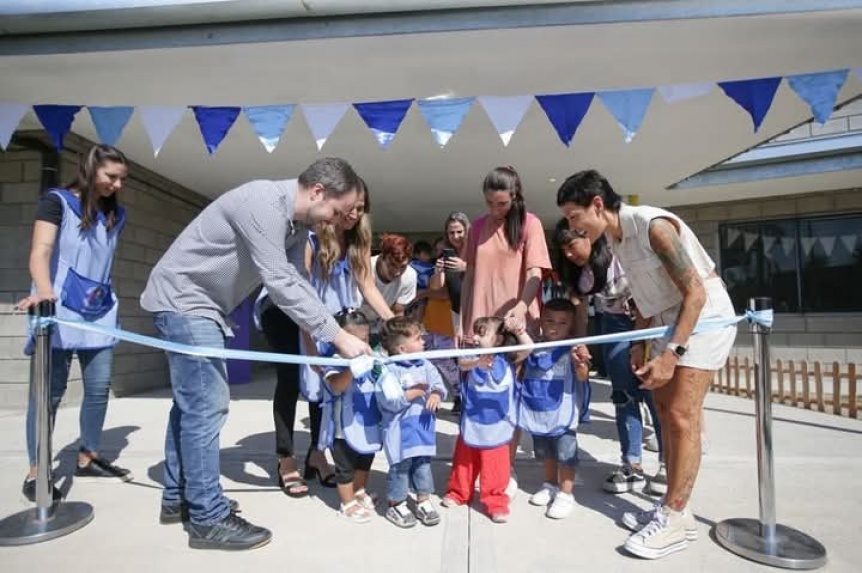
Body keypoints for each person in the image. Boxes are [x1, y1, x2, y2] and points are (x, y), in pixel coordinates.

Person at [140, 157, 370, 551]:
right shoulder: (263, 203)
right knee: (207, 406)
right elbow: (278, 281)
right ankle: (208, 518)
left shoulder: (298, 227)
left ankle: (180, 496)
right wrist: (337, 336)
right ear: (317, 192)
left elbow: (298, 281)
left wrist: (334, 331)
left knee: (191, 405)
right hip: (185, 301)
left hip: (202, 305)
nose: (335, 220)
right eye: (335, 210)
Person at [557, 169, 737, 560]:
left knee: (681, 415)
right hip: (662, 321)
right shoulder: (615, 240)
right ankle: (676, 509)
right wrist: (642, 345)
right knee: (661, 407)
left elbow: (695, 292)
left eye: (574, 216)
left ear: (598, 205)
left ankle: (674, 516)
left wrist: (672, 353)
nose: (570, 225)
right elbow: (643, 299)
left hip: (703, 317)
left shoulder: (653, 226)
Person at [256, 177, 393, 496]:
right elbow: (301, 292)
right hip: (287, 310)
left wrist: (394, 323)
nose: (354, 214)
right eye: (350, 206)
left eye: (361, 208)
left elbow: (367, 286)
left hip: (329, 316)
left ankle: (317, 454)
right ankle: (285, 458)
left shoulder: (358, 241)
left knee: (327, 382)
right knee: (293, 379)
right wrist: (310, 346)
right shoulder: (311, 235)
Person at [16, 144, 132, 501]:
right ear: (91, 170)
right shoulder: (56, 202)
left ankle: (89, 455)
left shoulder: (116, 214)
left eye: (122, 179)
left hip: (99, 311)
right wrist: (45, 292)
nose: (117, 185)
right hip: (58, 308)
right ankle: (38, 469)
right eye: (111, 177)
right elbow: (41, 252)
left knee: (98, 389)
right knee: (48, 394)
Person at [552, 220, 666, 496]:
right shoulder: (579, 273)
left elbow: (645, 304)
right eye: (563, 249)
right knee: (623, 394)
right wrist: (580, 343)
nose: (568, 253)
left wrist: (639, 343)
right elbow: (580, 311)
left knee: (653, 393)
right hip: (612, 324)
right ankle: (632, 465)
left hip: (648, 322)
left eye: (572, 245)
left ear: (588, 236)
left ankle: (667, 463)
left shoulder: (620, 254)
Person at [459, 166, 552, 497]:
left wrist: (523, 307)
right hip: (481, 324)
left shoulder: (531, 224)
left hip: (514, 325)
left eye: (501, 204)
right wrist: (464, 320)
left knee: (509, 395)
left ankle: (504, 468)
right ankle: (482, 466)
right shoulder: (479, 226)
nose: (494, 210)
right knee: (481, 395)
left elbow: (536, 272)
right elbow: (471, 275)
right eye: (488, 203)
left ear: (514, 197)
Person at [441, 316, 531, 524]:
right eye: (475, 332)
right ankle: (458, 493)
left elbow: (528, 348)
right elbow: (462, 365)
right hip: (472, 422)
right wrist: (477, 362)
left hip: (498, 426)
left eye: (482, 333)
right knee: (464, 462)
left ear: (498, 340)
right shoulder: (471, 355)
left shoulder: (508, 359)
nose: (476, 337)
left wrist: (518, 331)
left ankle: (496, 501)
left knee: (496, 466)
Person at [517, 299, 591, 520]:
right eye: (549, 320)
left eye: (562, 323)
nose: (554, 327)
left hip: (563, 414)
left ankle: (566, 493)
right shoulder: (533, 346)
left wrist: (580, 365)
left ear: (570, 325)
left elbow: (582, 377)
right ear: (541, 321)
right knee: (546, 452)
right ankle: (549, 484)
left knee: (565, 455)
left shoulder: (573, 349)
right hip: (540, 412)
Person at [374, 316, 447, 529]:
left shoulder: (426, 364)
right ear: (402, 349)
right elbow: (389, 402)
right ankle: (396, 503)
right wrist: (416, 392)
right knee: (400, 467)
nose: (423, 341)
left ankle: (422, 500)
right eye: (417, 338)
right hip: (398, 432)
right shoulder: (388, 370)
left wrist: (435, 394)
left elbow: (437, 385)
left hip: (422, 429)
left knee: (423, 464)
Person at [318, 309, 382, 524]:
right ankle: (347, 503)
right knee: (345, 468)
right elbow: (336, 386)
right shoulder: (334, 361)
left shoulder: (372, 357)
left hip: (368, 423)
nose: (360, 345)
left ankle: (359, 490)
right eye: (353, 340)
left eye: (364, 339)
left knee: (365, 460)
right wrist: (352, 370)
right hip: (343, 429)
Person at [429, 212, 471, 415]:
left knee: (474, 355)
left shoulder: (476, 251)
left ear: (467, 230)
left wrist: (466, 266)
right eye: (451, 232)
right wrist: (438, 271)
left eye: (459, 231)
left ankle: (471, 396)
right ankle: (461, 394)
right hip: (455, 312)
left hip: (477, 310)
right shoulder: (446, 254)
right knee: (455, 356)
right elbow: (437, 287)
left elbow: (489, 274)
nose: (456, 236)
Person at [360, 234, 417, 335]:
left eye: (402, 266)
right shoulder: (364, 268)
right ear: (382, 257)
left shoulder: (410, 276)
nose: (397, 272)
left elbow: (399, 311)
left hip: (379, 326)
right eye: (392, 265)